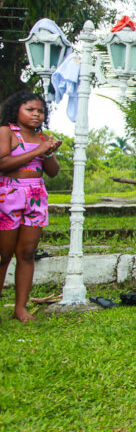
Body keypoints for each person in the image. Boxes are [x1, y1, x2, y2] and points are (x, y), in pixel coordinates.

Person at [0, 92, 61, 323]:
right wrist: (37, 150)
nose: (36, 114)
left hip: (35, 195)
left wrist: (50, 150)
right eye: (30, 109)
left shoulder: (42, 137)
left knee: (26, 253)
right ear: (16, 110)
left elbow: (53, 172)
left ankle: (20, 308)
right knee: (3, 254)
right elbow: (3, 163)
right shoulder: (6, 132)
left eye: (40, 111)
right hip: (9, 193)